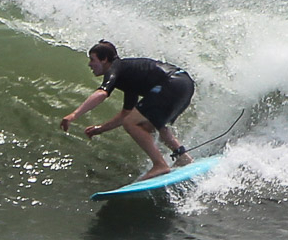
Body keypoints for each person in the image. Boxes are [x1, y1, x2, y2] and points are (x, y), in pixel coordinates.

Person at [59, 40, 195, 180]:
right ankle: (182, 156)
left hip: (172, 83)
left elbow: (102, 93)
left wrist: (73, 115)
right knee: (149, 124)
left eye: (92, 59)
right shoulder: (130, 77)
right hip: (185, 84)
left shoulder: (115, 68)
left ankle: (160, 165)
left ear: (104, 59)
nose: (89, 64)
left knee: (131, 123)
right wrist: (100, 129)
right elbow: (126, 113)